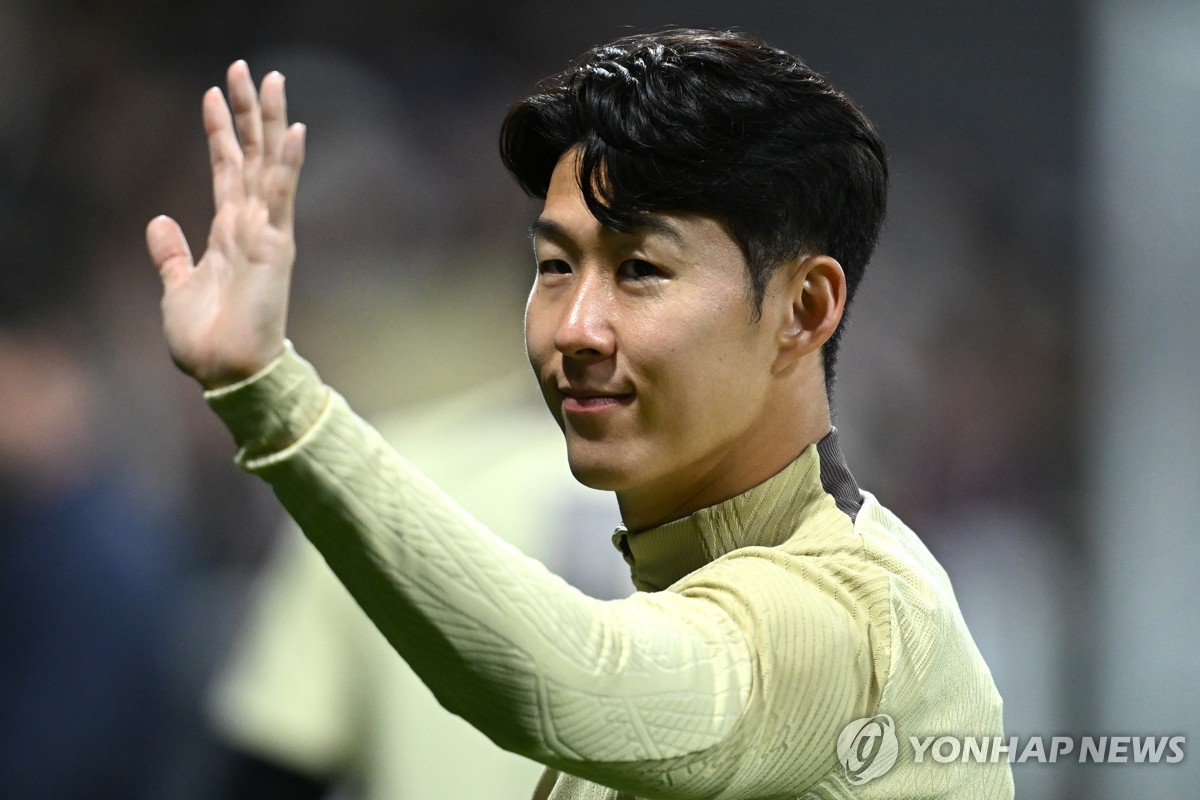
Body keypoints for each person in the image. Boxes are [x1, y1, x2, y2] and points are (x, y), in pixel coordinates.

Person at [147, 28, 1014, 799]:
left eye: (641, 270)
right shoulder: (681, 582)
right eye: (556, 266)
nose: (574, 328)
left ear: (804, 308)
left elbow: (581, 684)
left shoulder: (855, 619)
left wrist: (272, 393)